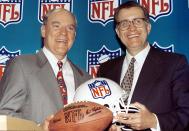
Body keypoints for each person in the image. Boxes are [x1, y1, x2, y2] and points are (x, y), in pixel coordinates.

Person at [97, 1, 189, 131]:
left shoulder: (174, 64)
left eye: (137, 21)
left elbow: (186, 113)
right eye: (124, 23)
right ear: (118, 32)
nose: (131, 28)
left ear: (148, 27)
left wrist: (154, 121)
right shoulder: (105, 70)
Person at [0, 8, 91, 127]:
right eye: (56, 26)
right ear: (43, 31)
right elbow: (4, 115)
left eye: (70, 28)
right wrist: (37, 129)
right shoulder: (21, 65)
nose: (63, 33)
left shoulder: (86, 79)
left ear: (74, 35)